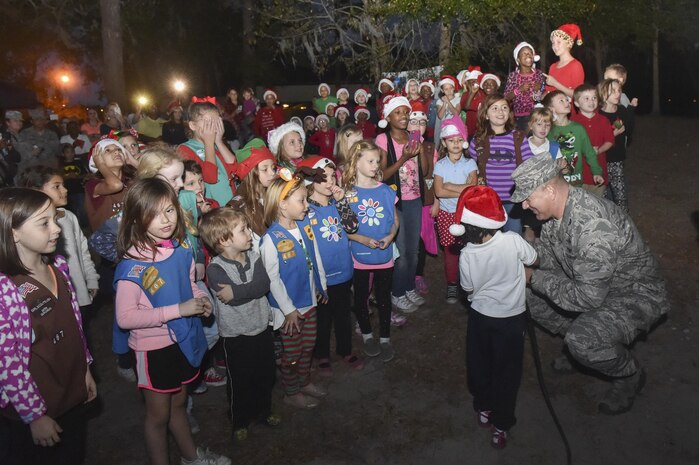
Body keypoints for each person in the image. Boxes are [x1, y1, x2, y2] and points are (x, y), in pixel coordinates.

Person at [511, 152, 670, 415]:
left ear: (550, 189)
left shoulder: (593, 225)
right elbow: (550, 257)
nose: (525, 206)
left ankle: (628, 375)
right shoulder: (556, 214)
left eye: (528, 198)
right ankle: (583, 343)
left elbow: (587, 297)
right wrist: (522, 257)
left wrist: (534, 277)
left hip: (634, 293)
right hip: (595, 284)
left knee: (582, 340)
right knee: (529, 296)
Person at [114, 178, 230, 465]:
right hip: (153, 350)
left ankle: (191, 458)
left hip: (184, 340)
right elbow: (125, 318)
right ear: (136, 218)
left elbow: (189, 284)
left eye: (169, 210)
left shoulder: (179, 249)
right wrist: (179, 310)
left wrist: (201, 301)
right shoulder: (133, 266)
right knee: (158, 417)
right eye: (153, 214)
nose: (164, 220)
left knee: (179, 405)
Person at [0, 188, 97, 465]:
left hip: (71, 391)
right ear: (13, 232)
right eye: (44, 223)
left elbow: (75, 325)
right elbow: (6, 362)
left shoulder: (59, 267)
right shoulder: (6, 289)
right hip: (37, 408)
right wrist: (34, 415)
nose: (56, 229)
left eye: (55, 219)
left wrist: (86, 368)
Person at [449, 185, 537, 449]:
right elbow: (533, 258)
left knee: (480, 365)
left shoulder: (466, 254)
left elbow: (468, 289)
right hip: (511, 319)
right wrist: (528, 242)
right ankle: (501, 425)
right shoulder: (512, 240)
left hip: (481, 318)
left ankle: (484, 407)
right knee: (507, 371)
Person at [199, 208, 280, 442]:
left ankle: (264, 411)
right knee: (240, 380)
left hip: (262, 328)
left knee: (265, 374)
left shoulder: (254, 257)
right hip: (236, 335)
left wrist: (237, 290)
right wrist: (241, 292)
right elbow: (231, 298)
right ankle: (239, 420)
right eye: (243, 230)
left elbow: (263, 285)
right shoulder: (215, 269)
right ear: (224, 240)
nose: (249, 234)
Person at [260, 174, 328, 409]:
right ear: (282, 204)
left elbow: (315, 255)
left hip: (309, 302)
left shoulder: (304, 227)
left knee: (308, 346)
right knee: (292, 354)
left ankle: (304, 381)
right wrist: (288, 310)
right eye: (302, 201)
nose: (307, 206)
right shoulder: (271, 239)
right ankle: (291, 391)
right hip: (289, 312)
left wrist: (322, 287)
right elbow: (271, 279)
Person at [298, 156, 364, 376]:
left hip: (343, 271)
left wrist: (343, 201)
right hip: (321, 276)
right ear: (310, 182)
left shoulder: (338, 203)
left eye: (332, 176)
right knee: (323, 318)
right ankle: (322, 354)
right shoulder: (306, 211)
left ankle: (345, 350)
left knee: (343, 315)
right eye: (322, 177)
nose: (329, 182)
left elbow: (352, 227)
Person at [15, 166, 99, 319]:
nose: (65, 190)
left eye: (64, 185)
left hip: (79, 292)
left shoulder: (70, 217)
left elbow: (83, 252)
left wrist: (91, 279)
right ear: (37, 191)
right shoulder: (30, 229)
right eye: (57, 186)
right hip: (54, 297)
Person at [342, 140, 400, 361]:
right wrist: (362, 239)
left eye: (378, 161)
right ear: (356, 162)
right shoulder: (347, 194)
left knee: (384, 298)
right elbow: (343, 228)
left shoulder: (385, 190)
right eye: (371, 161)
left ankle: (385, 338)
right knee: (361, 298)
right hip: (359, 258)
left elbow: (395, 218)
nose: (376, 165)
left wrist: (391, 236)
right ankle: (367, 335)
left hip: (384, 256)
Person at [469, 93, 534, 234]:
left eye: (504, 107)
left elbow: (529, 163)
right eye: (495, 108)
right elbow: (474, 165)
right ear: (486, 115)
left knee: (514, 236)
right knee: (492, 239)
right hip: (490, 200)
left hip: (513, 199)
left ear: (509, 113)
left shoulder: (518, 137)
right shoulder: (478, 141)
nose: (500, 111)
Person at [433, 117, 478, 303]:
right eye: (451, 140)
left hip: (466, 214)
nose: (456, 144)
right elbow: (438, 191)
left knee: (469, 250)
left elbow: (473, 189)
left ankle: (470, 284)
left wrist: (449, 185)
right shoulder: (440, 165)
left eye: (459, 140)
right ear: (444, 142)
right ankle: (452, 283)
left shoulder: (470, 164)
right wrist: (461, 189)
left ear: (465, 142)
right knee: (451, 253)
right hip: (446, 215)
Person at [177, 99, 238, 206]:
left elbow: (236, 170)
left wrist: (219, 142)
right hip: (213, 209)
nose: (213, 126)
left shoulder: (217, 145)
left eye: (217, 122)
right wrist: (209, 143)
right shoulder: (185, 149)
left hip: (231, 203)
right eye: (208, 122)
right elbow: (210, 177)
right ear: (193, 125)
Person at [542, 90, 604, 190]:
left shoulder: (578, 128)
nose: (567, 102)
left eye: (567, 100)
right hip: (555, 183)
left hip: (576, 182)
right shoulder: (547, 131)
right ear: (551, 109)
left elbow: (589, 152)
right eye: (561, 101)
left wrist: (596, 172)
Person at [227, 139, 278, 247]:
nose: (272, 173)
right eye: (265, 169)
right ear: (250, 173)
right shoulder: (238, 206)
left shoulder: (274, 193)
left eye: (273, 168)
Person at [571, 84, 615, 198]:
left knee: (596, 205)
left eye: (594, 98)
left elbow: (610, 140)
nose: (591, 101)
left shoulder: (603, 120)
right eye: (586, 98)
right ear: (576, 103)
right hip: (579, 174)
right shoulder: (572, 122)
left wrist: (598, 151)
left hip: (599, 171)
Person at [598, 78, 634, 213]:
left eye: (619, 90)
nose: (617, 93)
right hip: (601, 160)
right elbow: (597, 141)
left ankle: (624, 222)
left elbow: (629, 132)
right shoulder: (599, 115)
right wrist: (613, 133)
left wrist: (631, 112)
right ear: (603, 93)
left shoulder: (622, 111)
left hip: (617, 159)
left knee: (621, 196)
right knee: (603, 196)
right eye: (612, 91)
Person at [504, 42, 546, 129]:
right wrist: (518, 90)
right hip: (520, 118)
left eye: (530, 53)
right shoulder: (513, 76)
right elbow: (506, 97)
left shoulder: (539, 74)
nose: (528, 55)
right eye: (524, 53)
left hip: (537, 115)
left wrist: (540, 89)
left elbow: (543, 93)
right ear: (518, 59)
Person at [544, 24, 585, 98]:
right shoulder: (552, 67)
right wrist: (538, 96)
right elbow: (548, 93)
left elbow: (578, 95)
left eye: (558, 42)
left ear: (568, 43)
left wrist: (555, 84)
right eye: (553, 43)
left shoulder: (576, 66)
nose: (554, 46)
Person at [435, 75, 461, 144]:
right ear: (442, 90)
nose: (449, 91)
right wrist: (444, 103)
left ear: (453, 88)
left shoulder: (458, 100)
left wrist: (448, 102)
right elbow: (440, 116)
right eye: (446, 89)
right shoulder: (439, 101)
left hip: (457, 130)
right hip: (444, 130)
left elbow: (456, 114)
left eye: (450, 88)